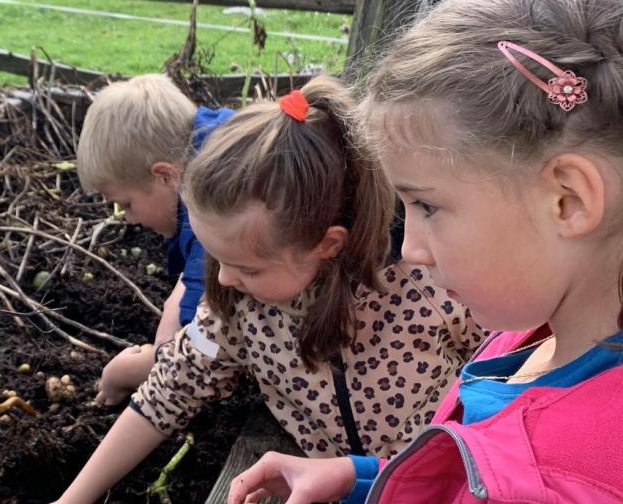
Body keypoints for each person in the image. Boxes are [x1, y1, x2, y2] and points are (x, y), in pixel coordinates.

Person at [226, 1, 623, 502]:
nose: (410, 249)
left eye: (427, 206)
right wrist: (362, 477)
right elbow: (480, 466)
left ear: (567, 200)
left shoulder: (556, 482)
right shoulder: (538, 326)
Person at [55, 75, 487, 503]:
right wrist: (75, 497)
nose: (223, 279)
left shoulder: (430, 285)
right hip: (320, 485)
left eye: (246, 267)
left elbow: (510, 378)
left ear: (326, 244)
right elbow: (168, 391)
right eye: (215, 258)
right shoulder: (239, 307)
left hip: (440, 484)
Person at [75, 74, 234, 406]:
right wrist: (170, 317)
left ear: (165, 175)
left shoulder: (215, 209)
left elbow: (203, 351)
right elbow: (193, 274)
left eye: (127, 203)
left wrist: (133, 370)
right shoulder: (215, 139)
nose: (127, 217)